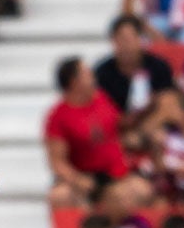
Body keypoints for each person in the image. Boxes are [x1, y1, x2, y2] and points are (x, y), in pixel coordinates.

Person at [45, 56, 129, 209]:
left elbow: (119, 127)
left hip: (113, 174)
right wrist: (78, 180)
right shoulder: (58, 117)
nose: (92, 76)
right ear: (74, 82)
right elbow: (57, 162)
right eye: (86, 73)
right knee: (59, 197)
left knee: (139, 191)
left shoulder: (102, 99)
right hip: (83, 176)